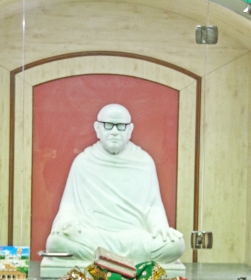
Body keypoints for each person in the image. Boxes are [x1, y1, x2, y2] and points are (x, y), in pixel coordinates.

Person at [45, 103, 185, 263]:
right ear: (97, 128)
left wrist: (160, 227)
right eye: (108, 125)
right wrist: (66, 222)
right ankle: (125, 260)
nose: (114, 132)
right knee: (56, 242)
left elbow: (153, 206)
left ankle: (105, 258)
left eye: (120, 126)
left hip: (133, 238)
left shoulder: (144, 162)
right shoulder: (83, 161)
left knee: (175, 245)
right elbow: (69, 205)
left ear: (130, 130)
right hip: (94, 235)